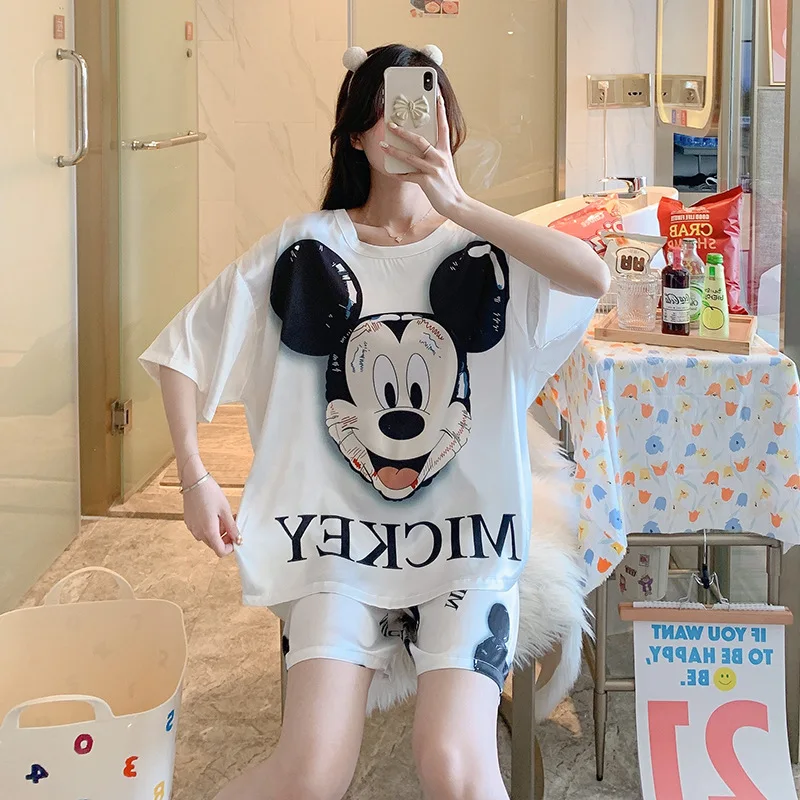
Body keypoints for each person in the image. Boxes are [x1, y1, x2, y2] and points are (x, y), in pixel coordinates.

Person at [141, 42, 609, 800]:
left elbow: (593, 277)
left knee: (454, 764)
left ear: (449, 127)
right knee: (310, 773)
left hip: (469, 548)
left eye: (426, 109)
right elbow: (182, 351)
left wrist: (459, 205)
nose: (409, 128)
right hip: (335, 551)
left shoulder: (485, 253)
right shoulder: (306, 250)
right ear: (357, 133)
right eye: (388, 112)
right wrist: (195, 477)